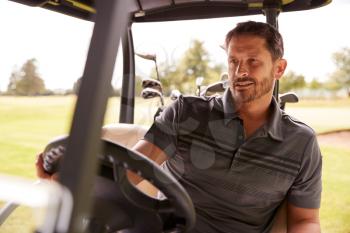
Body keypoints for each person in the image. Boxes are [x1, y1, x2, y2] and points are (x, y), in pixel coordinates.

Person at [36, 21, 322, 233]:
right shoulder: (185, 112)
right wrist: (66, 183)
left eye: (253, 62)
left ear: (279, 68)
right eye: (234, 61)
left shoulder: (301, 142)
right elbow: (131, 172)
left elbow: (305, 220)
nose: (240, 72)